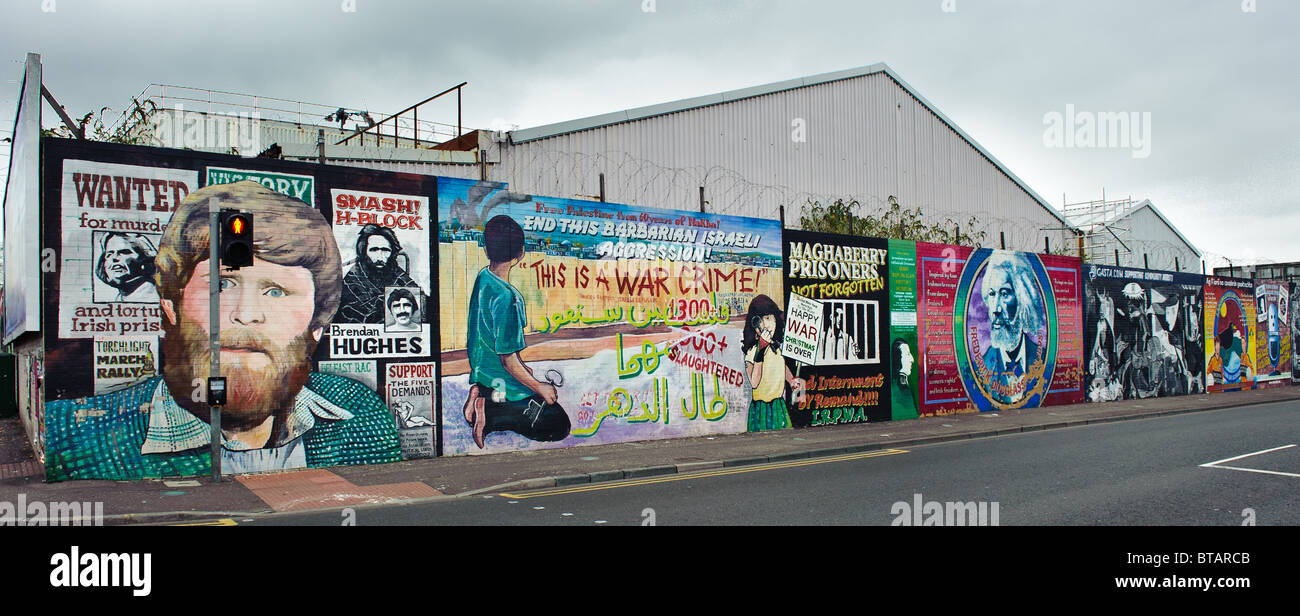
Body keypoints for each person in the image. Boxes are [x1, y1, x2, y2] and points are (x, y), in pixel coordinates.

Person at [45, 181, 401, 481]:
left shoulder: (361, 414)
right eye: (222, 285)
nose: (246, 314)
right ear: (171, 307)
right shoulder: (73, 435)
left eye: (275, 291)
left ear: (317, 326)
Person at [461, 214, 571, 449]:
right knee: (558, 424)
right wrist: (538, 386)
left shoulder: (483, 277)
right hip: (502, 380)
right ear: (520, 253)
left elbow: (490, 338)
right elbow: (508, 359)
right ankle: (490, 413)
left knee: (532, 387)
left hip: (484, 374)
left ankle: (482, 394)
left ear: (486, 248)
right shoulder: (508, 298)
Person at [978, 253, 1044, 405]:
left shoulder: (1042, 357)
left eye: (1004, 294)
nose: (995, 308)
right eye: (992, 294)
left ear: (1023, 299)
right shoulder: (981, 367)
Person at [742, 294, 805, 432]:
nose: (768, 324)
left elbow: (781, 366)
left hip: (778, 405)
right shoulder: (753, 352)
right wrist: (760, 351)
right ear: (755, 325)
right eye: (764, 319)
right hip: (762, 408)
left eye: (770, 318)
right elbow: (754, 383)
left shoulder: (776, 350)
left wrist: (792, 381)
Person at [338, 224, 424, 324]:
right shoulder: (352, 280)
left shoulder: (395, 271)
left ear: (392, 253)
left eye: (385, 250)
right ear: (363, 251)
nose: (380, 257)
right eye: (374, 250)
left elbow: (417, 297)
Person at [95, 232, 159, 303]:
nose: (114, 258)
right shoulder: (122, 297)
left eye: (124, 252)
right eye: (109, 254)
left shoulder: (154, 296)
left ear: (145, 259)